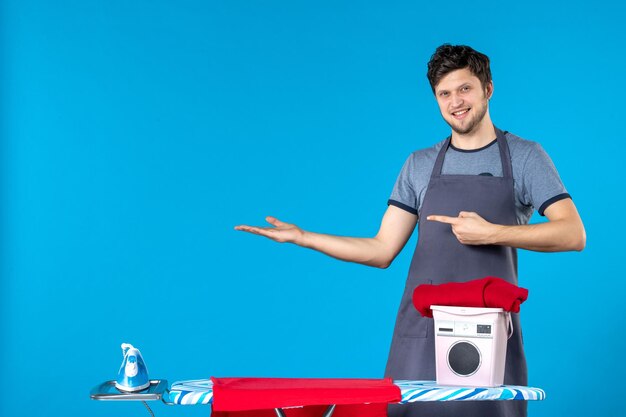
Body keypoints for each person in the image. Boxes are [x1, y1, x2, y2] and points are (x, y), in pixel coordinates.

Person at [235, 44, 586, 417]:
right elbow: (381, 249)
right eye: (444, 93)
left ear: (488, 89)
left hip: (487, 335)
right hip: (422, 333)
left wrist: (492, 233)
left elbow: (572, 234)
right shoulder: (419, 165)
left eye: (464, 88)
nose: (455, 102)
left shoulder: (524, 156)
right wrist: (304, 237)